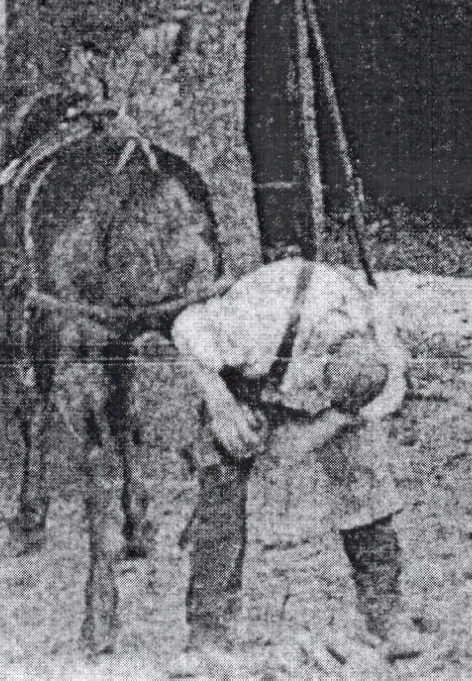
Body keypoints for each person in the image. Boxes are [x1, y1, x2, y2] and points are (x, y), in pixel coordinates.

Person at [168, 256, 420, 675]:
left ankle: (386, 616)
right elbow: (186, 327)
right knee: (222, 484)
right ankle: (207, 634)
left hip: (319, 379)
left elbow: (375, 397)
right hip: (247, 376)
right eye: (319, 387)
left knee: (364, 478)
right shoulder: (253, 320)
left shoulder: (376, 334)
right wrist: (221, 404)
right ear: (316, 359)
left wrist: (314, 431)